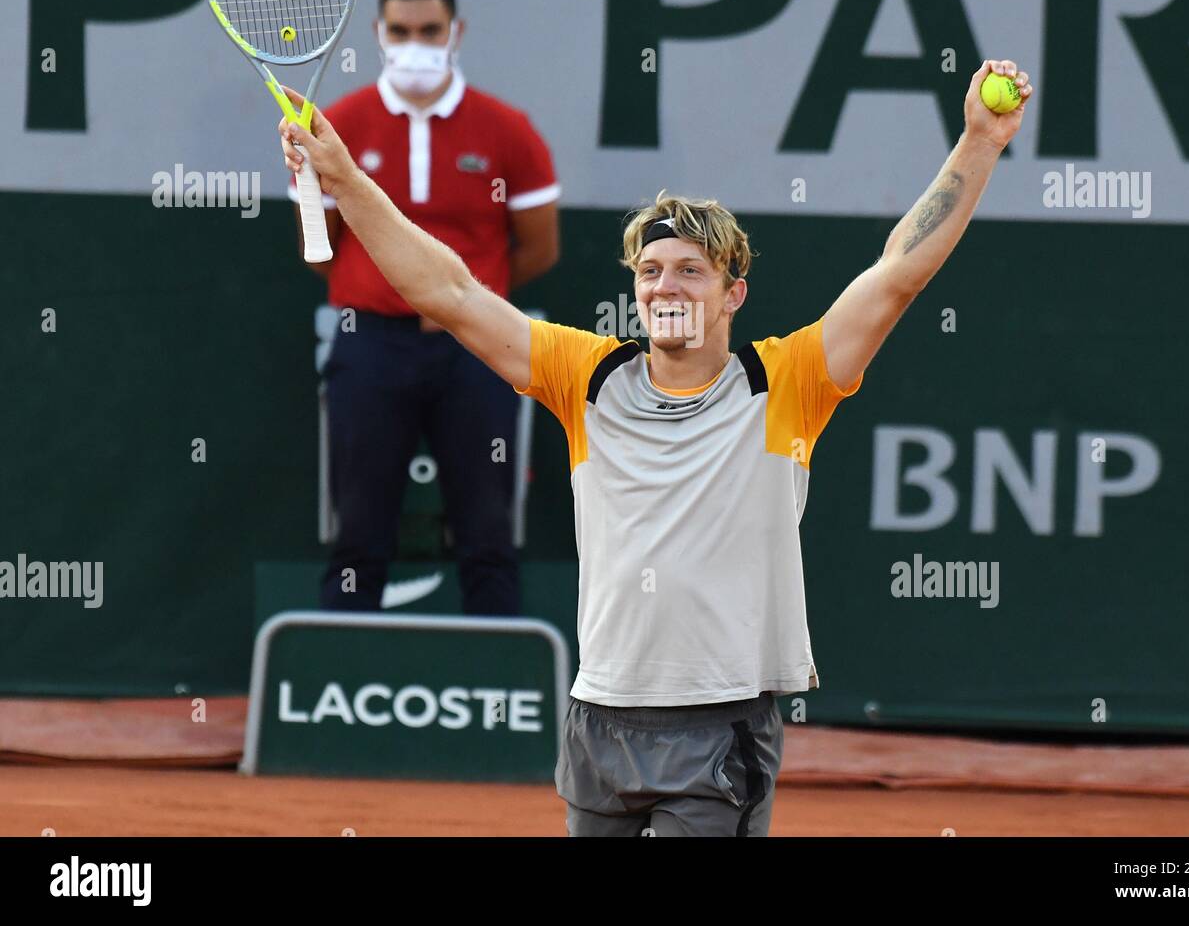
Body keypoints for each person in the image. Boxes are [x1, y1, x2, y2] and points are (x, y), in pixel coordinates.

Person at [278, 59, 1033, 836]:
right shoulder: (586, 376)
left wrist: (977, 142)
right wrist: (341, 174)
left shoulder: (790, 380)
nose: (665, 287)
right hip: (598, 722)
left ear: (733, 292)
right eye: (650, 271)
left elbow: (896, 275)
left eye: (690, 272)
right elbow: (449, 292)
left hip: (719, 729)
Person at [289, 0, 560, 615]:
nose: (416, 42)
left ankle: (499, 693)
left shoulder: (507, 130)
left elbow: (540, 248)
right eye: (401, 30)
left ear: (455, 31)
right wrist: (306, 182)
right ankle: (338, 689)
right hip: (369, 346)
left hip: (478, 350)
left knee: (488, 532)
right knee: (358, 532)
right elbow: (316, 249)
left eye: (430, 29)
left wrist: (461, 301)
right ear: (379, 35)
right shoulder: (337, 125)